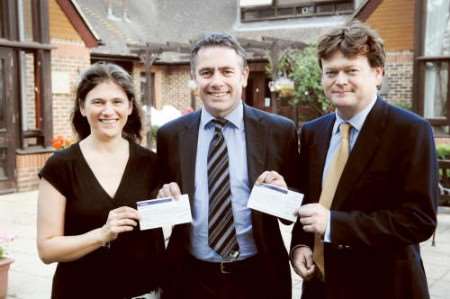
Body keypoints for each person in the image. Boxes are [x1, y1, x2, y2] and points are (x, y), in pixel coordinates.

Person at [290, 22, 438, 299]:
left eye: (351, 70)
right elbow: (309, 205)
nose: (340, 80)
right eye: (331, 72)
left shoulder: (409, 130)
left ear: (378, 73)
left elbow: (419, 219)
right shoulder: (313, 132)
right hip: (321, 286)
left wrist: (335, 225)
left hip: (384, 287)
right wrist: (300, 246)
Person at [156, 32, 300, 299]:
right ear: (194, 77)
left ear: (243, 75)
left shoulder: (279, 132)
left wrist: (284, 192)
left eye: (226, 71)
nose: (217, 82)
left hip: (259, 276)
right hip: (190, 277)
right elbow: (160, 193)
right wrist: (161, 195)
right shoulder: (171, 135)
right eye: (207, 72)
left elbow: (295, 207)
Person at [37, 62, 165, 299]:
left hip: (144, 292)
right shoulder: (61, 166)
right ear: (82, 108)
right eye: (98, 102)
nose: (108, 111)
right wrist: (102, 235)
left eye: (117, 101)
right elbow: (46, 249)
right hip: (80, 291)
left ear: (129, 107)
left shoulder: (153, 163)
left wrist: (172, 197)